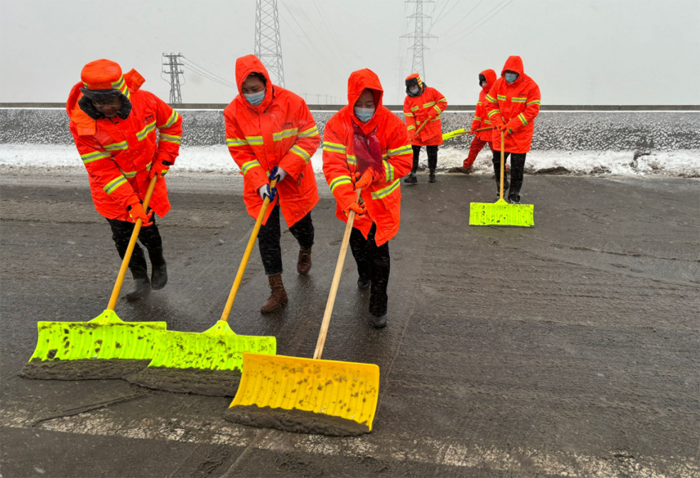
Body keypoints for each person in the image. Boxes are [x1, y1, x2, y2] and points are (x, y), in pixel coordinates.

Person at [66, 59, 182, 301]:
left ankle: (159, 262)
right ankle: (140, 280)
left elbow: (172, 125)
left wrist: (165, 157)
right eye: (98, 101)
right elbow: (102, 168)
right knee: (123, 239)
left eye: (110, 100)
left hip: (147, 183)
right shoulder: (83, 124)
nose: (105, 107)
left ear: (122, 93)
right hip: (111, 192)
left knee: (148, 230)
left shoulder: (146, 102)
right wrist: (129, 202)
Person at [224, 54, 321, 313]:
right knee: (266, 236)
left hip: (294, 180)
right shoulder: (233, 112)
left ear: (266, 82)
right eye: (245, 91)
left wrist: (286, 168)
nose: (251, 94)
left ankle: (305, 247)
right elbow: (240, 151)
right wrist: (259, 182)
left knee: (303, 227)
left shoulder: (292, 102)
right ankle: (277, 290)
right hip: (262, 187)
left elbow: (310, 139)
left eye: (255, 89)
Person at [322, 69, 412, 328]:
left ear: (378, 101)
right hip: (354, 202)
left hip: (382, 204)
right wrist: (346, 196)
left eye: (369, 104)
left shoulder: (392, 124)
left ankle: (378, 302)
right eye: (359, 104)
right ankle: (363, 273)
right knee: (358, 246)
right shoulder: (337, 124)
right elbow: (334, 166)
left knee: (379, 254)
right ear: (351, 101)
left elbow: (404, 161)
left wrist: (375, 172)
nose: (364, 109)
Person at [483, 56, 541, 203]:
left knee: (517, 167)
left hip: (520, 135)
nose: (509, 76)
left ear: (519, 73)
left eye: (513, 73)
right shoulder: (498, 84)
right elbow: (490, 105)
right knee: (498, 163)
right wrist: (497, 122)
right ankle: (501, 187)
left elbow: (532, 110)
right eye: (507, 72)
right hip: (500, 132)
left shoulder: (531, 86)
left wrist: (512, 125)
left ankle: (514, 194)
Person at [402, 73, 447, 184]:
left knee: (432, 153)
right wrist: (411, 132)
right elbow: (409, 117)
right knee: (413, 153)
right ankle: (412, 174)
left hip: (432, 129)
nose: (413, 89)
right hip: (418, 131)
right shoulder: (408, 100)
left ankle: (432, 173)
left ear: (419, 84)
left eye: (414, 86)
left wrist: (433, 112)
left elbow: (443, 102)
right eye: (410, 88)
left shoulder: (431, 92)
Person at [456, 69, 497, 174]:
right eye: (482, 81)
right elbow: (478, 112)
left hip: (493, 130)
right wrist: (474, 126)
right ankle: (467, 166)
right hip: (482, 130)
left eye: (485, 81)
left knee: (497, 153)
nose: (483, 83)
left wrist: (498, 125)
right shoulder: (482, 93)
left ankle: (502, 171)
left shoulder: (498, 93)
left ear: (491, 80)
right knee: (474, 147)